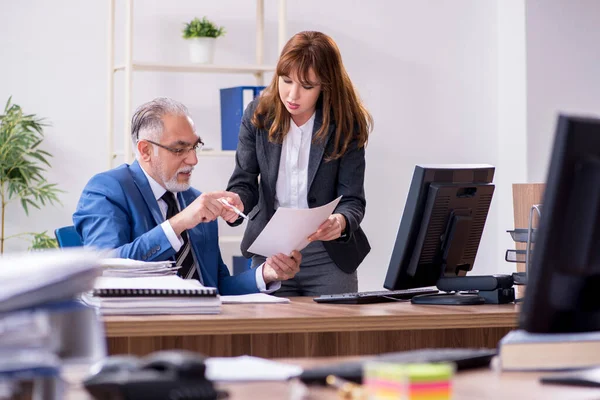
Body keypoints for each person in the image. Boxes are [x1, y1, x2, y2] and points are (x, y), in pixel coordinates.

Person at [73, 98, 301, 295]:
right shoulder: (107, 189)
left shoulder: (194, 200)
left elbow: (216, 286)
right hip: (142, 328)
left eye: (195, 147)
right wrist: (180, 223)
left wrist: (266, 273)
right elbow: (106, 267)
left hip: (202, 327)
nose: (193, 160)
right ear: (145, 151)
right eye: (179, 149)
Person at [227, 31, 373, 296]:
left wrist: (340, 221)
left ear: (326, 86)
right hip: (272, 250)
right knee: (272, 335)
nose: (292, 95)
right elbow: (244, 181)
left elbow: (353, 200)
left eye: (307, 86)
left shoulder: (345, 124)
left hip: (329, 254)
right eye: (286, 80)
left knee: (335, 335)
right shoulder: (258, 114)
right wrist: (236, 202)